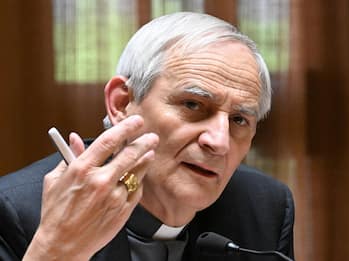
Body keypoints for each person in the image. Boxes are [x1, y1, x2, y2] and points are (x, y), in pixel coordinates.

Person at [0, 12, 294, 261]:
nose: (218, 142)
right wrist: (54, 250)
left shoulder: (264, 207)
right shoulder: (14, 211)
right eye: (192, 105)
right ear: (121, 104)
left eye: (239, 119)